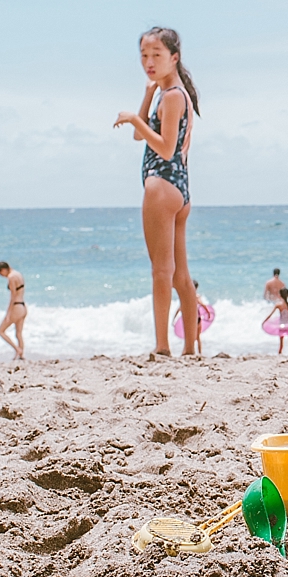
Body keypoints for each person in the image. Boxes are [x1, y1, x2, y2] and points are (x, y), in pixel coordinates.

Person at [113, 26, 202, 356]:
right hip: (179, 190)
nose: (148, 62)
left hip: (162, 188)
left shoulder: (175, 96)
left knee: (161, 272)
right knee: (181, 275)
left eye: (156, 56)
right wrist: (148, 96)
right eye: (144, 56)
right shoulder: (169, 93)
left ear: (174, 57)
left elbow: (163, 148)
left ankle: (163, 346)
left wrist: (134, 120)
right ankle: (191, 347)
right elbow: (142, 138)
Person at [0, 261, 27, 360]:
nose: (0, 275)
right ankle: (21, 355)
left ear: (4, 269)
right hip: (23, 306)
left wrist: (8, 313)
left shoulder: (11, 277)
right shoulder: (18, 274)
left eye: (0, 272)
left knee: (1, 331)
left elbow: (12, 296)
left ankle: (17, 350)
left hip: (16, 306)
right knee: (18, 333)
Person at [263, 288, 288, 355]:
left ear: (280, 295)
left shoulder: (278, 305)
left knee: (281, 346)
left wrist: (264, 321)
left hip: (281, 326)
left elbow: (270, 315)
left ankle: (280, 354)